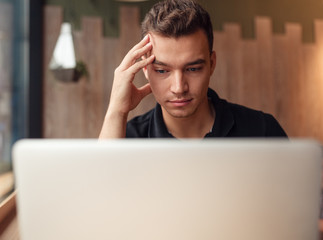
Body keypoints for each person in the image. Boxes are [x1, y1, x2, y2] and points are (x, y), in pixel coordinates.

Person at [99, 0, 287, 139]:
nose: (179, 88)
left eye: (193, 69)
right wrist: (116, 111)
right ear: (145, 69)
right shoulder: (126, 139)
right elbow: (100, 190)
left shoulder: (262, 131)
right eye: (162, 71)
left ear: (212, 64)